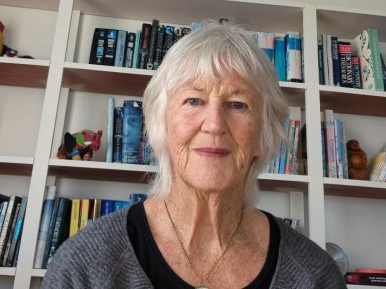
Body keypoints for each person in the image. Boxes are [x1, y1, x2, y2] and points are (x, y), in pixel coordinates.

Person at [41, 23, 347, 289]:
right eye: (194, 100)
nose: (214, 124)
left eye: (238, 104)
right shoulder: (83, 267)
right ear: (161, 126)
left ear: (262, 135)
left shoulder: (315, 276)